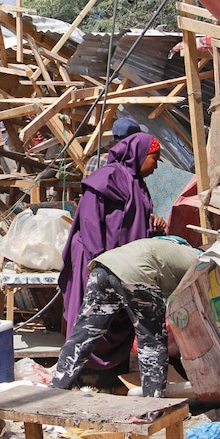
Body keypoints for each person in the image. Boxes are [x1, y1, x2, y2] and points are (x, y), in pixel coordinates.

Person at [58, 132, 166, 372]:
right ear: (139, 154)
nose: (156, 166)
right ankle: (79, 372)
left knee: (117, 314)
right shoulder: (109, 176)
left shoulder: (137, 184)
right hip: (94, 256)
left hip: (119, 261)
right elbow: (90, 219)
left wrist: (152, 225)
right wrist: (102, 261)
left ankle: (109, 373)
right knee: (91, 313)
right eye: (154, 159)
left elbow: (128, 222)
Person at [52, 237, 199, 397]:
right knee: (152, 340)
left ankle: (56, 389)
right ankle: (153, 405)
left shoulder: (172, 246)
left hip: (102, 267)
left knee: (84, 333)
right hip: (136, 273)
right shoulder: (203, 262)